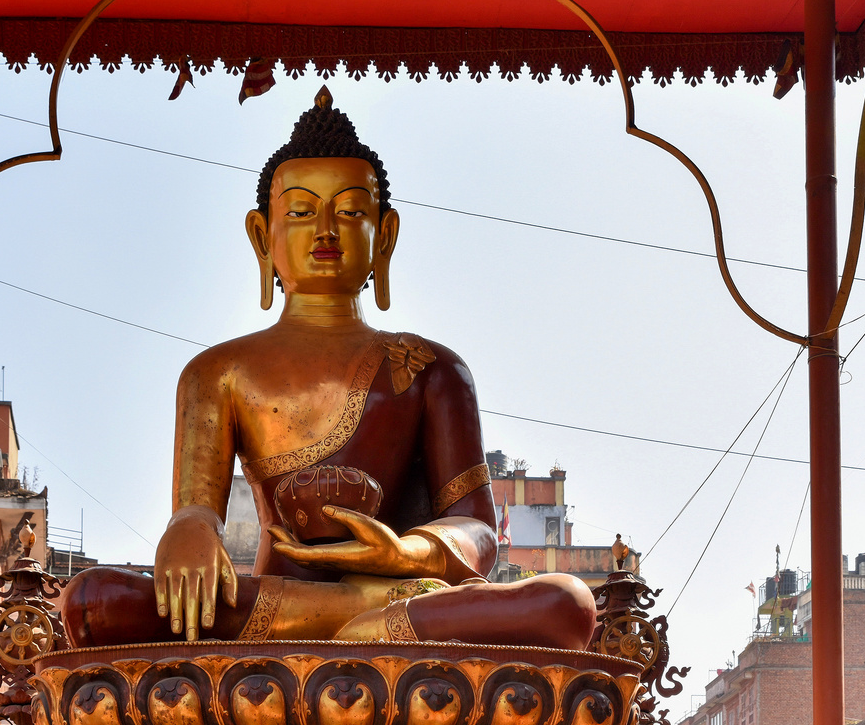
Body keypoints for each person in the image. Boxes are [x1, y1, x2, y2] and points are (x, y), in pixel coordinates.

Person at [62, 87, 595, 651]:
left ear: (384, 237)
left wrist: (400, 552)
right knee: (93, 601)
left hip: (398, 589)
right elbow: (196, 507)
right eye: (299, 212)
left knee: (568, 603)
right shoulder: (217, 373)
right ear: (262, 236)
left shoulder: (430, 368)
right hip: (286, 599)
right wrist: (190, 529)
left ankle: (364, 616)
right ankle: (360, 615)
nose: (324, 230)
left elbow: (478, 530)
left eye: (348, 211)